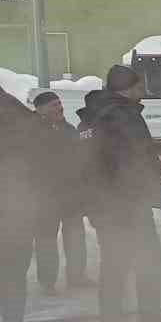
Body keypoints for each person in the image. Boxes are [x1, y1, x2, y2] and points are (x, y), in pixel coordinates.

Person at [88, 64, 161, 322]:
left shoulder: (98, 113)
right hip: (126, 205)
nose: (142, 91)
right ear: (126, 88)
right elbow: (130, 162)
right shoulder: (121, 116)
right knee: (148, 262)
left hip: (108, 205)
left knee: (114, 267)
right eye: (139, 86)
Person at [0, 87, 57, 322]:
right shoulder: (20, 115)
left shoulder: (16, 116)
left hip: (14, 209)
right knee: (12, 276)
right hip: (16, 212)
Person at [30, 90, 91, 293]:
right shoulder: (33, 131)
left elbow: (80, 157)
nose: (59, 107)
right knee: (46, 240)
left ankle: (77, 275)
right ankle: (47, 282)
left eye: (59, 103)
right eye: (53, 105)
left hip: (71, 194)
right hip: (45, 196)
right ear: (39, 109)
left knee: (75, 235)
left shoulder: (69, 129)